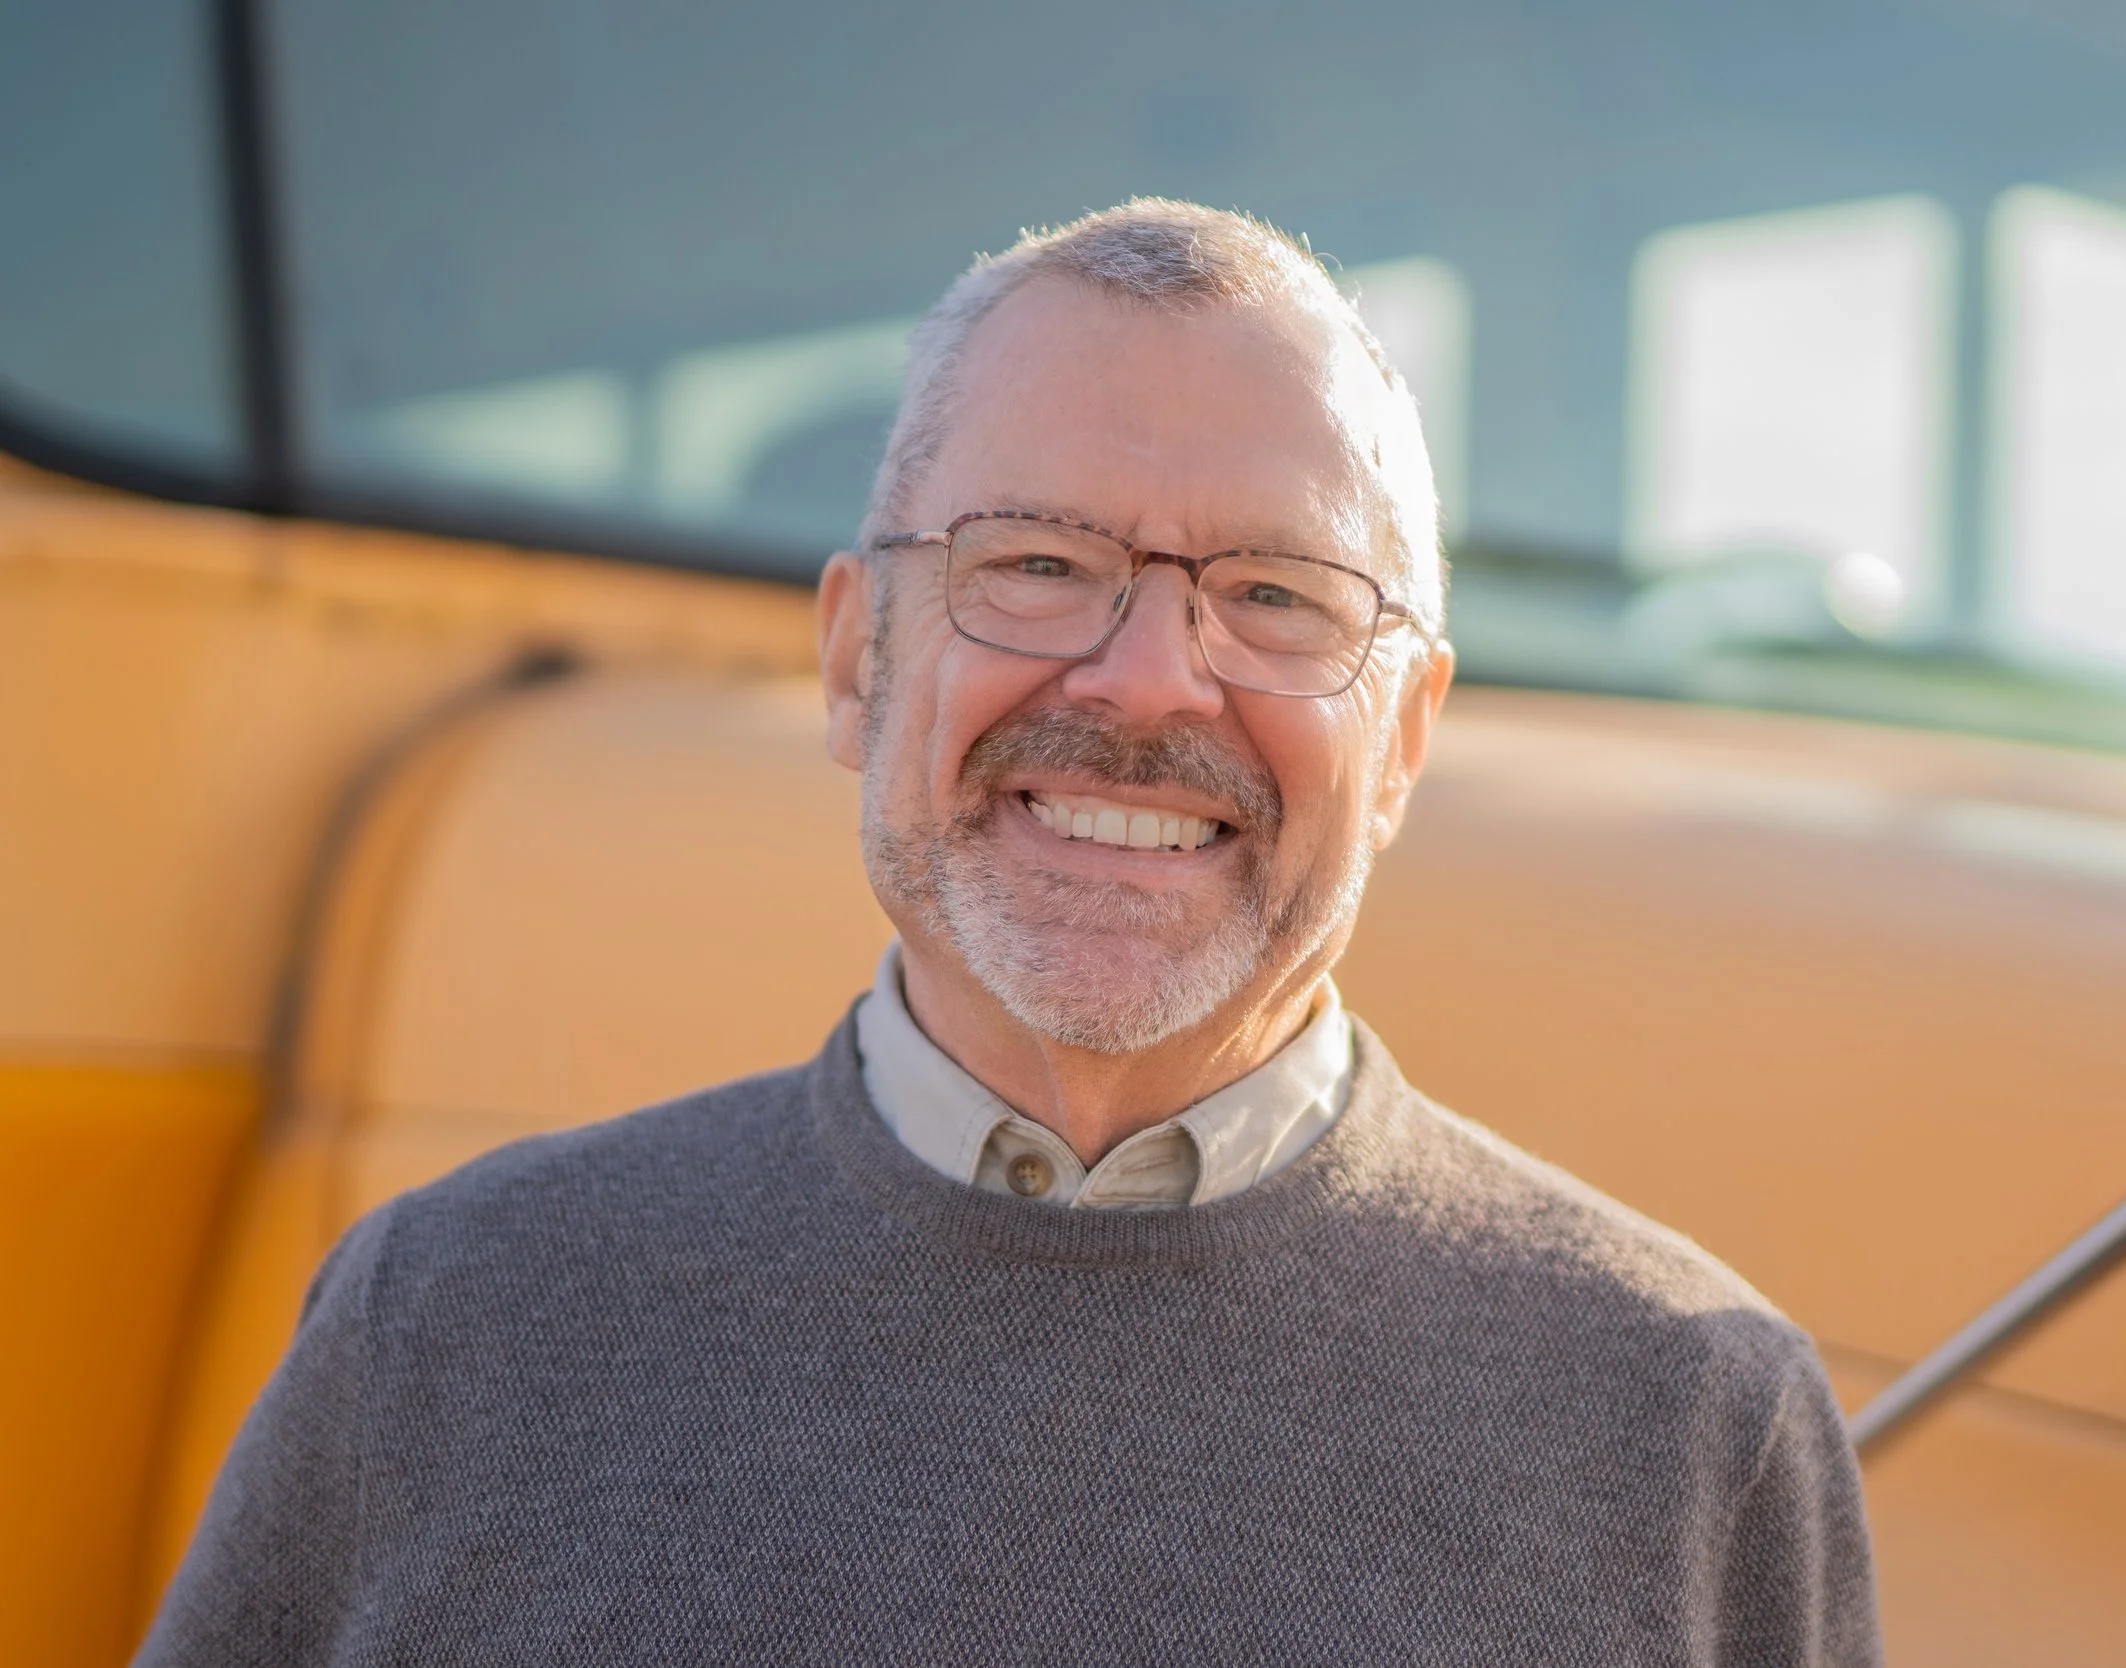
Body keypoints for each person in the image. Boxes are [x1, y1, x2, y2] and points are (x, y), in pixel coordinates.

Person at [142, 199, 1882, 1665]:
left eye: (1276, 597)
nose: (1144, 677)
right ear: (853, 656)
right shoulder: (448, 1322)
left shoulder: (1687, 1419)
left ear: (1408, 734)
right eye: (1035, 562)